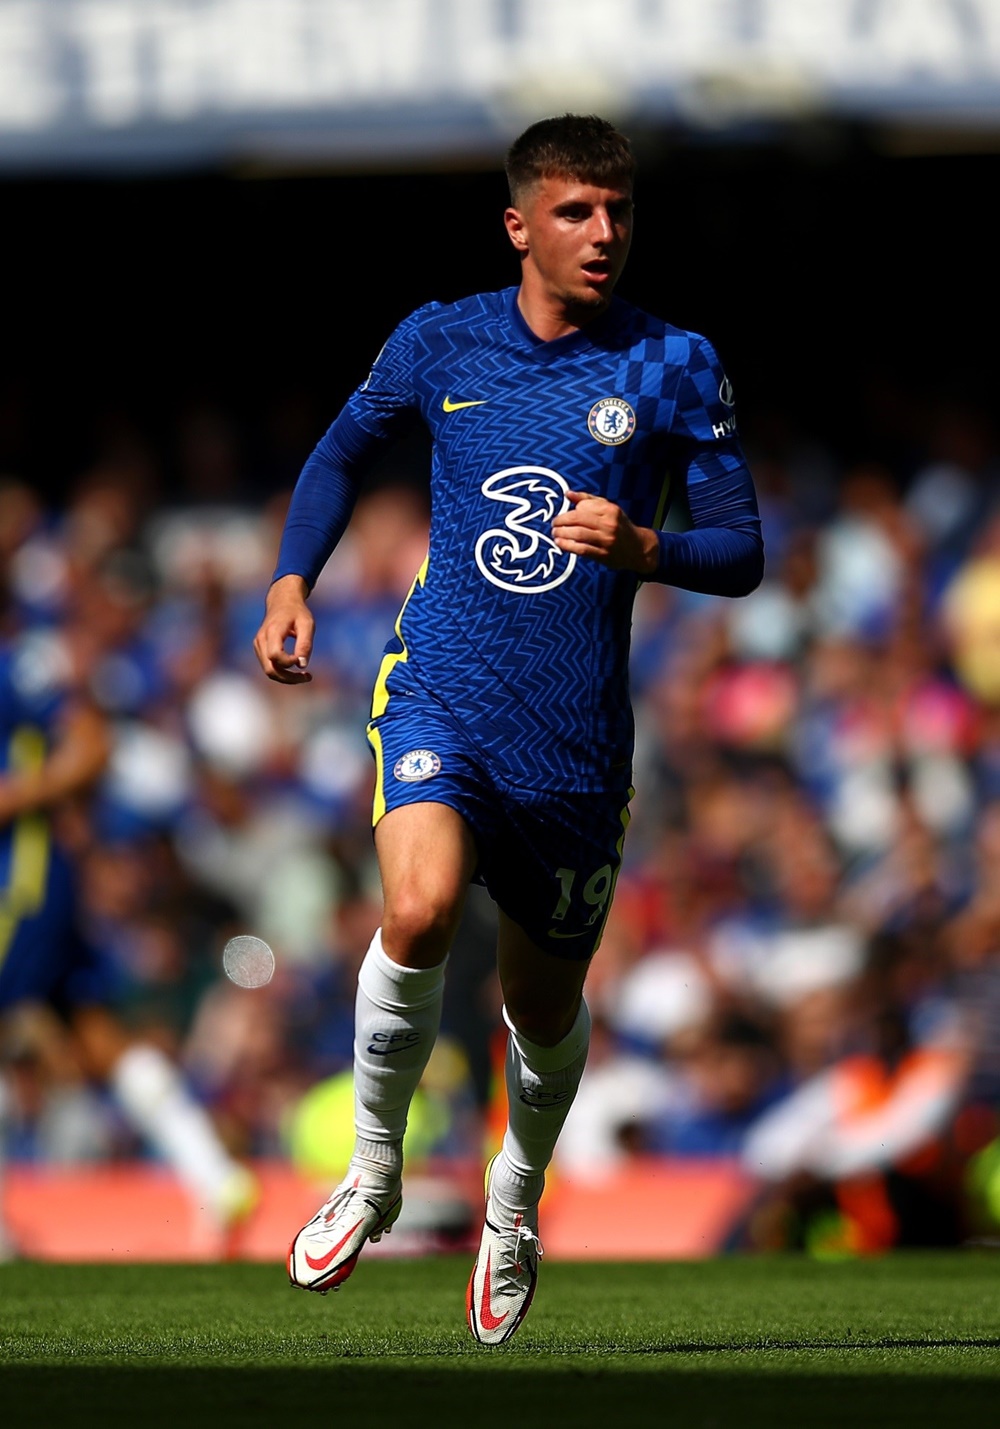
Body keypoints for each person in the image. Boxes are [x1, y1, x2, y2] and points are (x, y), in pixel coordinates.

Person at [254, 113, 764, 1342]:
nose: (604, 234)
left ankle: (515, 1195)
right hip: (441, 686)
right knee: (418, 909)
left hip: (574, 744)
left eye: (620, 212)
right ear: (518, 225)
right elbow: (340, 453)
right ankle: (375, 1170)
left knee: (539, 1006)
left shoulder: (671, 363)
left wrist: (650, 548)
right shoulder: (441, 338)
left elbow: (740, 551)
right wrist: (289, 582)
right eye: (578, 212)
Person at [0, 624, 256, 1258]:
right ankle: (213, 1173)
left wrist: (18, 798)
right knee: (93, 1030)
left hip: (21, 883)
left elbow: (92, 744)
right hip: (34, 883)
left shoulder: (15, 671)